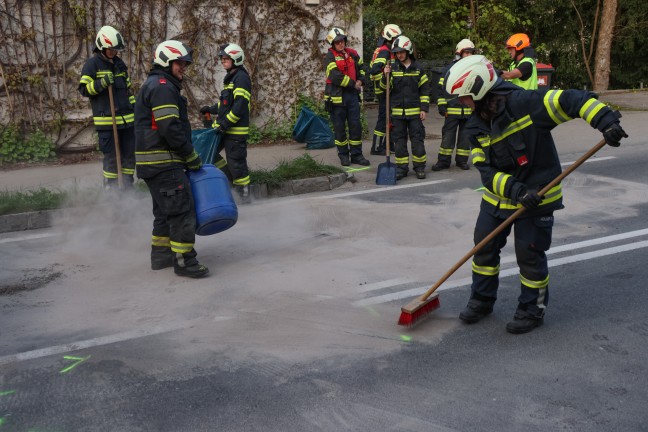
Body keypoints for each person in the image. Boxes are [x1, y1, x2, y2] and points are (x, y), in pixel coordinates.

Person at [445, 55, 628, 334]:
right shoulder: (475, 126)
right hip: (500, 198)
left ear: (479, 90)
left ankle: (532, 309)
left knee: (529, 255)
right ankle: (482, 300)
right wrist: (516, 191)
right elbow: (485, 171)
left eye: (464, 97)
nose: (461, 103)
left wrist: (605, 121)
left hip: (538, 197)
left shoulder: (526, 104)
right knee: (483, 249)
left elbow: (572, 100)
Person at [134, 40, 209, 278]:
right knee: (181, 211)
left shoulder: (155, 84)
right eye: (180, 63)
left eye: (185, 63)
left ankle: (161, 256)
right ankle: (186, 261)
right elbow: (170, 128)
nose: (183, 67)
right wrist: (190, 155)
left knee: (163, 212)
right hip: (166, 163)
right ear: (167, 60)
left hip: (152, 165)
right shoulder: (164, 86)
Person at [78, 25, 136, 191]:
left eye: (116, 50)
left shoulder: (119, 64)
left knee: (128, 158)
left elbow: (127, 91)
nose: (114, 52)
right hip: (108, 123)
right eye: (111, 49)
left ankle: (127, 188)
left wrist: (134, 107)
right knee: (112, 158)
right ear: (101, 47)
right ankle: (112, 190)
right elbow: (84, 89)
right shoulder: (92, 65)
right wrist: (102, 83)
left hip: (127, 122)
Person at [200, 43, 252, 203]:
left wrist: (225, 124)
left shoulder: (241, 78)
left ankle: (244, 196)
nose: (222, 61)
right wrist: (211, 108)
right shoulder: (231, 77)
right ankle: (228, 182)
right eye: (222, 59)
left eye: (225, 58)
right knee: (210, 153)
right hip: (226, 130)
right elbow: (225, 105)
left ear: (236, 58)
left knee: (237, 163)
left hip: (235, 131)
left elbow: (240, 106)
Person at [381, 36, 430, 180]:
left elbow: (425, 90)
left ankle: (419, 167)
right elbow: (384, 89)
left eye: (402, 52)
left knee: (417, 140)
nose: (399, 55)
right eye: (396, 53)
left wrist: (424, 109)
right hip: (397, 113)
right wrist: (385, 76)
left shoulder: (418, 69)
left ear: (408, 51)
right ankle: (402, 169)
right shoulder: (392, 68)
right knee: (399, 141)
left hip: (415, 113)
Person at [324, 27, 370, 167]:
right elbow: (335, 76)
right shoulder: (329, 56)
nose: (340, 44)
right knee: (340, 128)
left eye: (342, 41)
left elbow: (363, 68)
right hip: (337, 98)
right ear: (333, 44)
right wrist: (353, 84)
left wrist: (361, 80)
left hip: (352, 97)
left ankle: (356, 155)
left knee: (355, 126)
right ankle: (343, 155)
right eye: (337, 42)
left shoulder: (353, 54)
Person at [432, 39, 476, 171]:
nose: (469, 55)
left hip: (467, 110)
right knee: (448, 137)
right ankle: (443, 161)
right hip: (452, 109)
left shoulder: (474, 69)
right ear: (459, 53)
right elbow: (440, 88)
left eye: (471, 53)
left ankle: (461, 161)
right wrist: (442, 105)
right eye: (466, 53)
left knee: (465, 138)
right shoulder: (449, 69)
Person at [368, 23, 402, 155]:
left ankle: (389, 144)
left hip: (387, 89)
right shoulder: (384, 51)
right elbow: (374, 69)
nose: (396, 41)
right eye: (395, 39)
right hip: (384, 90)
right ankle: (376, 147)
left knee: (390, 118)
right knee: (384, 118)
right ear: (389, 39)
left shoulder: (384, 49)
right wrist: (385, 71)